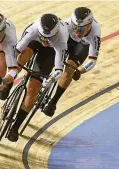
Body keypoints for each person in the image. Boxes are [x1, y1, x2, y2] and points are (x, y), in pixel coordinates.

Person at [7, 13, 69, 142]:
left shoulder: (61, 39)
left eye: (49, 38)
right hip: (34, 41)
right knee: (22, 56)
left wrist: (51, 79)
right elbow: (16, 51)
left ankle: (15, 127)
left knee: (33, 88)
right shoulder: (33, 30)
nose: (46, 42)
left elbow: (59, 69)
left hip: (52, 51)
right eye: (44, 37)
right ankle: (8, 84)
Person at [43, 7, 101, 117]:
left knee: (69, 69)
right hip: (66, 40)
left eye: (81, 29)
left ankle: (53, 102)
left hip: (81, 46)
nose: (77, 31)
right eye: (75, 27)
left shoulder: (95, 32)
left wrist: (79, 70)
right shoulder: (66, 25)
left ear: (89, 25)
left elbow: (92, 60)